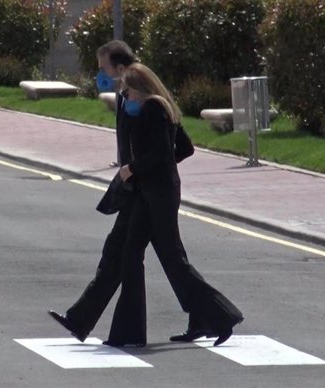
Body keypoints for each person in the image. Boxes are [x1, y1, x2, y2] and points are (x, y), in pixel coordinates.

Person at [108, 63, 244, 347]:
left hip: (158, 194)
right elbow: (183, 148)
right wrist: (161, 168)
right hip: (153, 192)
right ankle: (130, 332)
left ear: (142, 89)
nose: (126, 99)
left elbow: (160, 151)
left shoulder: (154, 109)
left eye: (129, 93)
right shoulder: (161, 108)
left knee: (173, 260)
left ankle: (221, 315)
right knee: (132, 254)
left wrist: (134, 168)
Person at [47, 40, 143, 343]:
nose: (100, 74)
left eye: (104, 68)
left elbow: (168, 144)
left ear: (120, 67)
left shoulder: (142, 96)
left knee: (170, 264)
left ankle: (214, 315)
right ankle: (81, 321)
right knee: (118, 256)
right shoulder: (127, 95)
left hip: (148, 192)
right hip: (134, 189)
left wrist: (136, 168)